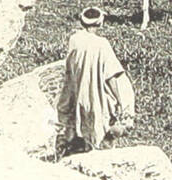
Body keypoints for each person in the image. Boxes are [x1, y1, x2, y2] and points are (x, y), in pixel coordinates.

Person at [56, 8, 135, 156]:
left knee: (84, 129)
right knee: (100, 133)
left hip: (79, 93)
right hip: (97, 96)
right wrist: (119, 100)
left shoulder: (74, 40)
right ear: (100, 22)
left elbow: (69, 67)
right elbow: (111, 75)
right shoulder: (102, 44)